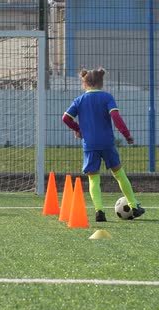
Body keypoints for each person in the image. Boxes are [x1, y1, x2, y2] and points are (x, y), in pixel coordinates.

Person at [62, 68, 145, 222]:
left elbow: (65, 118)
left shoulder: (79, 100)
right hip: (107, 142)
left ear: (85, 84)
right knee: (119, 174)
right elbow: (115, 116)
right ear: (101, 83)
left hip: (90, 144)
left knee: (94, 179)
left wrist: (78, 129)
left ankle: (99, 211)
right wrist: (126, 135)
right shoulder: (107, 97)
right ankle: (134, 206)